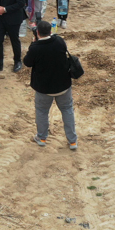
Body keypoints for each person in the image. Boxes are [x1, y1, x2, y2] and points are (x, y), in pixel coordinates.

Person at [22, 20, 76, 150]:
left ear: (37, 33)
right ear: (51, 31)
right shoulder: (59, 41)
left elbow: (27, 62)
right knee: (67, 110)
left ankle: (42, 138)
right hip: (63, 85)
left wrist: (32, 44)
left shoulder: (35, 48)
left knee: (42, 111)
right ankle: (72, 141)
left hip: (43, 88)